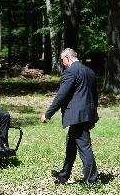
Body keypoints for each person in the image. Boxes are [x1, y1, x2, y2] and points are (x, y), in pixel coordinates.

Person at [40, 48, 99, 185]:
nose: (62, 63)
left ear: (67, 57)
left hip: (77, 115)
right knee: (71, 144)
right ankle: (64, 174)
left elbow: (61, 95)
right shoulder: (89, 71)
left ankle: (92, 180)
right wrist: (93, 116)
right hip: (86, 114)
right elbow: (94, 96)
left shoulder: (71, 72)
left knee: (84, 147)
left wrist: (48, 114)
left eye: (62, 60)